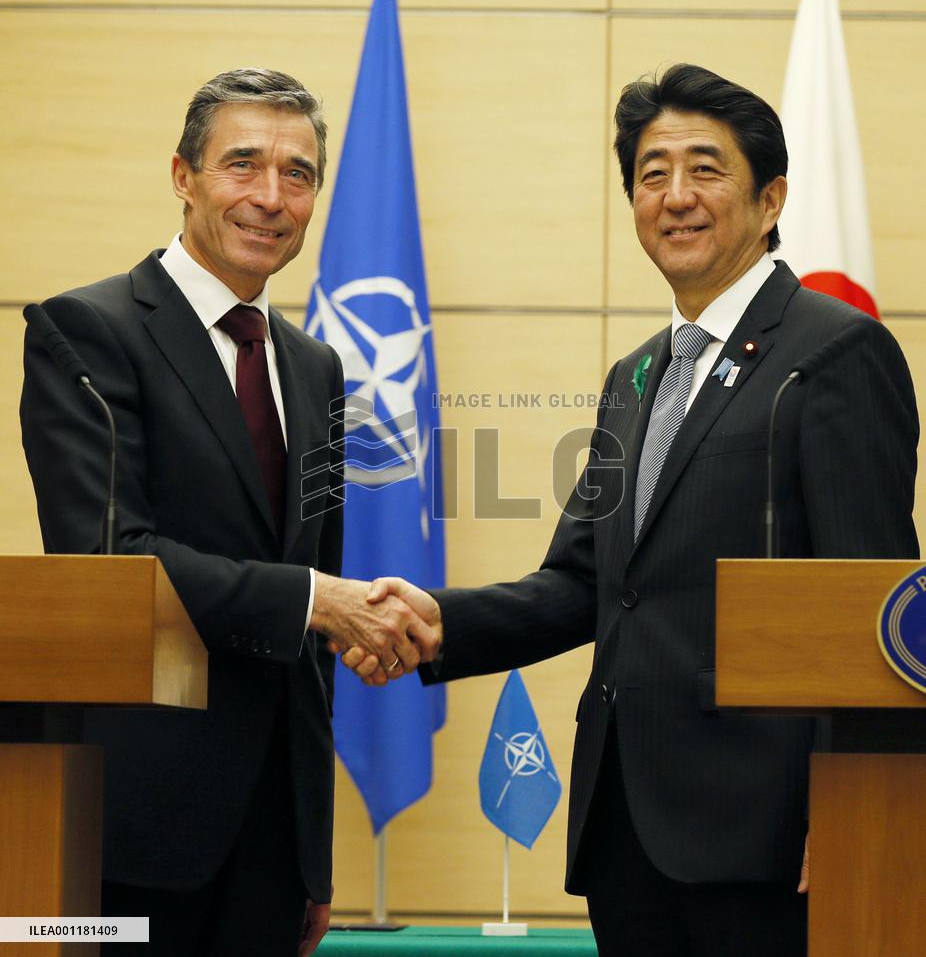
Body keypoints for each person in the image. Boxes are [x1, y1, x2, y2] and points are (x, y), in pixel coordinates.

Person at [338, 64, 919, 955]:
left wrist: (858, 804)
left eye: (705, 169)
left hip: (771, 837)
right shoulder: (637, 376)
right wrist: (437, 624)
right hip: (626, 832)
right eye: (652, 174)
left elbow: (875, 614)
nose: (675, 196)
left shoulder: (837, 353)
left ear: (770, 199)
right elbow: (587, 584)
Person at [20, 68, 438, 957]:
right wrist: (316, 601)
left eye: (298, 174)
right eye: (242, 164)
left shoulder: (316, 368)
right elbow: (113, 558)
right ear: (183, 176)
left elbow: (314, 641)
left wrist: (312, 856)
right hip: (129, 828)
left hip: (272, 843)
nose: (271, 197)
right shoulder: (85, 329)